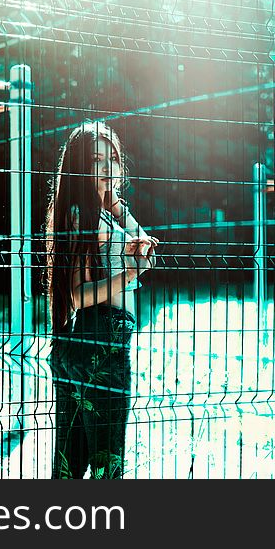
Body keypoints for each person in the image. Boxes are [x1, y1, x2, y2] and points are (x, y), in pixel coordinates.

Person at [45, 121, 158, 479]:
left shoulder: (102, 212)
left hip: (82, 342)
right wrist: (128, 274)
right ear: (81, 166)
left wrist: (115, 203)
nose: (109, 168)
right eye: (97, 160)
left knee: (69, 466)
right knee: (107, 468)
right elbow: (78, 295)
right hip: (104, 341)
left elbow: (145, 251)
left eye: (113, 159)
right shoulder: (84, 216)